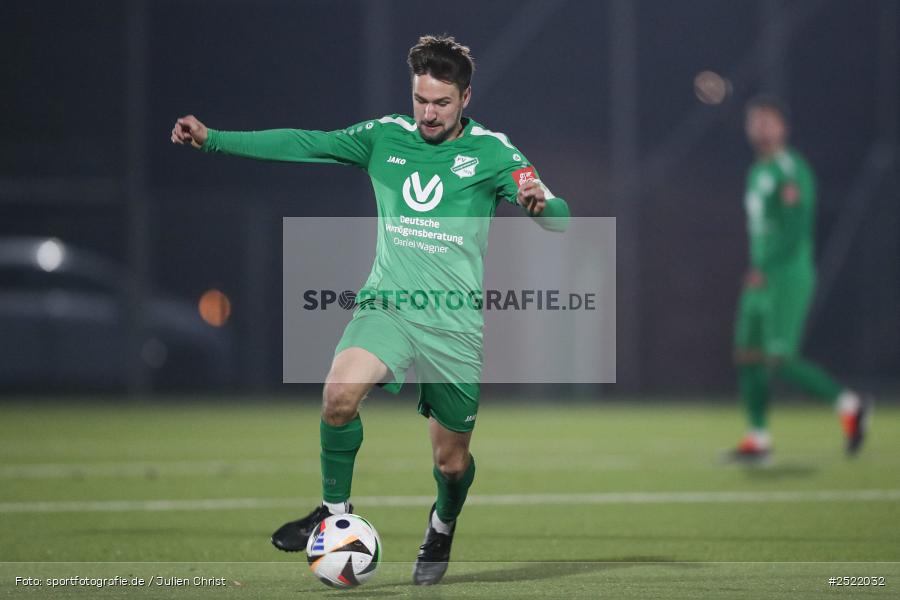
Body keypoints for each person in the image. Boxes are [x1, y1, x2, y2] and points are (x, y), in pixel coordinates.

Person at [171, 35, 569, 585]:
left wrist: (541, 204)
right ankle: (335, 517)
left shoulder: (495, 153)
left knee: (451, 464)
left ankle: (444, 523)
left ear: (466, 98)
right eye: (420, 99)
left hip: (452, 324)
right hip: (388, 306)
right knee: (338, 396)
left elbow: (560, 216)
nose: (428, 113)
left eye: (441, 102)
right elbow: (306, 143)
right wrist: (213, 139)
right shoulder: (384, 137)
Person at [729, 95, 868, 464]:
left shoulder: (791, 170)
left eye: (768, 120)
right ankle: (758, 439)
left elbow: (794, 231)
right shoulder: (756, 171)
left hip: (787, 274)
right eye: (755, 121)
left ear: (783, 127)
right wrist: (757, 267)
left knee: (780, 358)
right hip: (759, 275)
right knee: (748, 354)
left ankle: (850, 405)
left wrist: (767, 268)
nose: (761, 127)